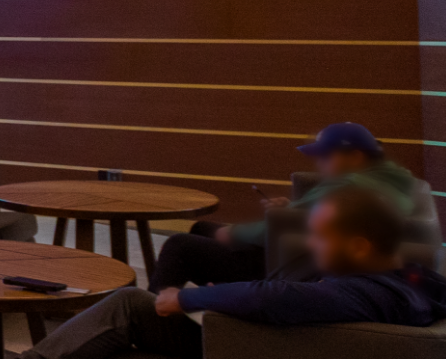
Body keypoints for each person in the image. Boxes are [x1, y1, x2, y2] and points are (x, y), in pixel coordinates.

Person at [0, 186, 446, 359]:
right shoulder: (394, 272)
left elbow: (282, 299)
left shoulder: (370, 292)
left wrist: (190, 296)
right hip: (240, 343)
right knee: (128, 302)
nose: (311, 241)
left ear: (360, 243)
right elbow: (284, 293)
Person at [150, 121, 421, 291]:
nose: (320, 164)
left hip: (290, 264)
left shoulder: (351, 186)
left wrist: (232, 233)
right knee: (201, 227)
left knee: (180, 246)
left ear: (355, 156)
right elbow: (313, 216)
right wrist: (290, 208)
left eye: (326, 156)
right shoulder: (389, 178)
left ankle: (155, 314)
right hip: (300, 249)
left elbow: (276, 230)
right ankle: (221, 304)